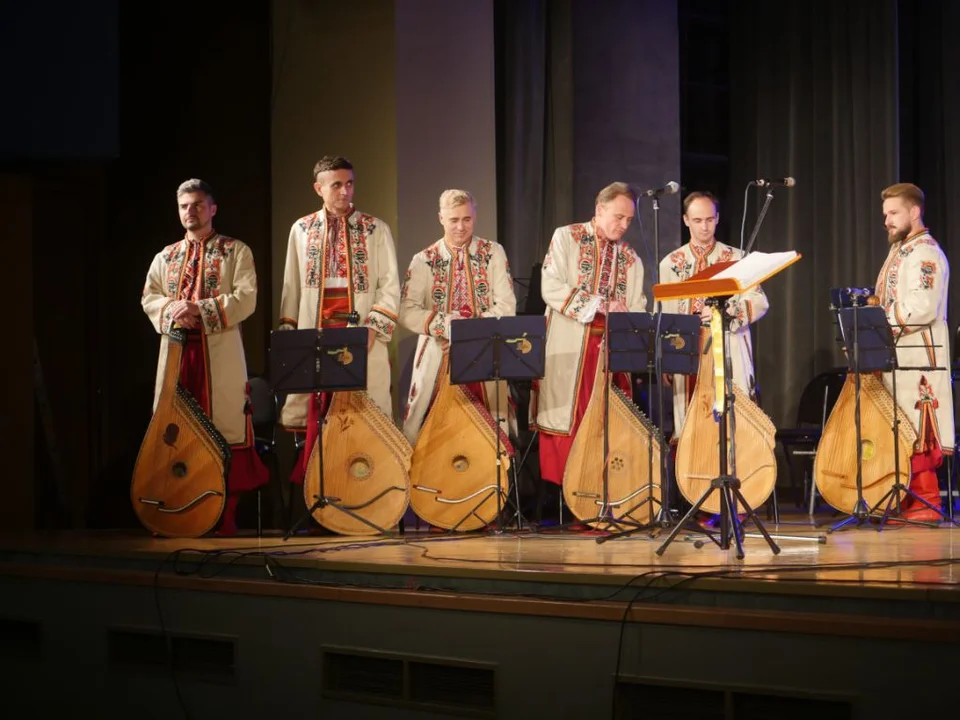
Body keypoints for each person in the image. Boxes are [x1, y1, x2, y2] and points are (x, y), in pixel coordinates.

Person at [142, 178, 268, 535]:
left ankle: (222, 517)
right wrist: (172, 309)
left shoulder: (235, 251)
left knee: (224, 430)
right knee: (173, 430)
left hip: (219, 353)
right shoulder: (165, 257)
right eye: (184, 206)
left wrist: (199, 308)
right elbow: (149, 297)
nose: (190, 211)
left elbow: (247, 297)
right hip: (178, 354)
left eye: (197, 204)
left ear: (212, 209)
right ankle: (176, 508)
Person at [278, 155, 401, 483]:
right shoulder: (301, 230)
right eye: (336, 185)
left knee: (363, 414)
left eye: (349, 184)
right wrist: (290, 333)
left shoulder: (375, 228)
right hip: (316, 334)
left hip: (360, 335)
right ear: (319, 188)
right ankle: (320, 493)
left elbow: (390, 285)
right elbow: (291, 286)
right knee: (318, 416)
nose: (345, 191)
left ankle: (366, 490)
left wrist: (373, 327)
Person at [534, 182, 647, 492]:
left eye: (629, 220)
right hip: (571, 349)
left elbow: (637, 305)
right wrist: (600, 304)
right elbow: (551, 288)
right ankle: (574, 496)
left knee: (608, 426)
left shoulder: (630, 257)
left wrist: (628, 316)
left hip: (610, 355)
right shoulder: (567, 237)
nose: (623, 225)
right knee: (568, 419)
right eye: (618, 217)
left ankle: (606, 493)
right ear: (599, 209)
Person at [399, 189, 517, 444]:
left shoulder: (493, 252)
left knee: (489, 432)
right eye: (454, 220)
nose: (461, 227)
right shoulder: (424, 260)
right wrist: (444, 325)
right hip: (438, 352)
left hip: (485, 350)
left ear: (475, 216)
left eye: (467, 219)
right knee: (432, 432)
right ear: (441, 218)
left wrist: (470, 331)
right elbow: (407, 310)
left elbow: (506, 305)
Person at [659, 191, 769, 439]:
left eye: (709, 219)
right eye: (697, 221)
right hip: (687, 349)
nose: (704, 226)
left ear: (717, 218)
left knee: (733, 420)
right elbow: (666, 314)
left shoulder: (737, 258)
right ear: (686, 220)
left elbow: (759, 301)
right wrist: (667, 356)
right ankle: (691, 474)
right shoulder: (671, 264)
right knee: (689, 420)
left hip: (728, 343)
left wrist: (726, 311)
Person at [875, 182, 953, 522]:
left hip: (919, 355)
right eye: (886, 215)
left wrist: (879, 321)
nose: (887, 221)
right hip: (898, 354)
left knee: (918, 425)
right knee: (900, 425)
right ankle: (905, 499)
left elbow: (923, 305)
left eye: (894, 213)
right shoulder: (901, 250)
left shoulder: (925, 252)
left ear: (914, 212)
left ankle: (925, 501)